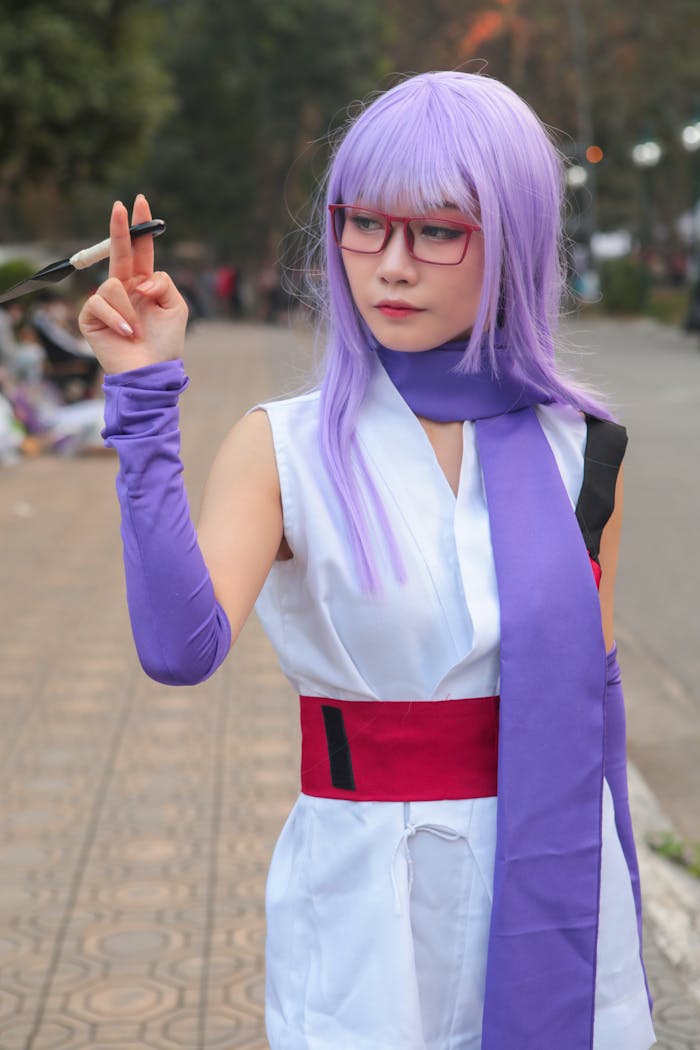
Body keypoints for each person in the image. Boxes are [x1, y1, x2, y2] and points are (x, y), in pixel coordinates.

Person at [78, 71, 656, 1050]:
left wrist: (625, 916)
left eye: (436, 231)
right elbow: (179, 649)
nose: (389, 265)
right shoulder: (286, 448)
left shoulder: (584, 448)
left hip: (556, 884)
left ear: (511, 239)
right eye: (363, 224)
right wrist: (143, 404)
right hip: (366, 897)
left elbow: (593, 709)